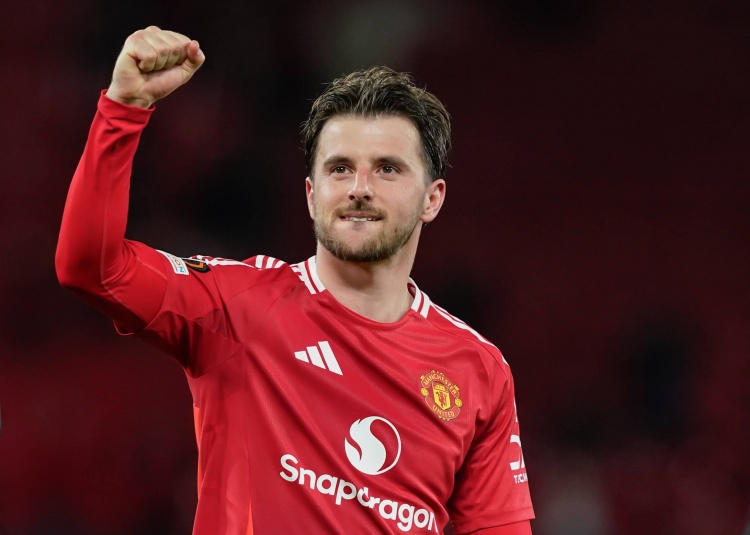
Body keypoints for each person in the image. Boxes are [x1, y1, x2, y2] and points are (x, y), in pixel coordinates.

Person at [56, 26, 534, 535]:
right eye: (340, 169)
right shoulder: (237, 306)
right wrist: (123, 109)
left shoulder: (478, 370)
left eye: (388, 169)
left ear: (432, 199)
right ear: (310, 194)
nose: (359, 188)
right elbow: (93, 268)